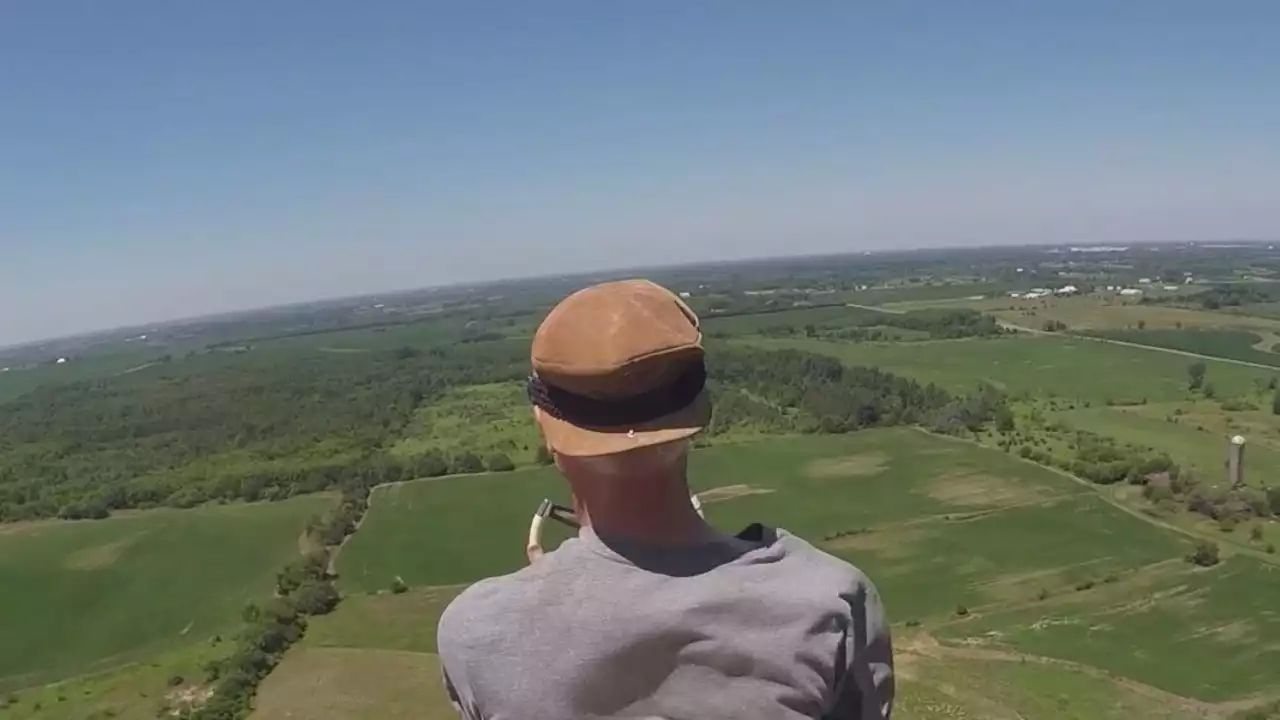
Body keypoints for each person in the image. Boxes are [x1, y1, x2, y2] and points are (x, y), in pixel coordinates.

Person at [436, 279, 894, 720]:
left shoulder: (476, 631)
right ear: (701, 409)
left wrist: (548, 597)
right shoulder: (828, 605)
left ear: (544, 424)